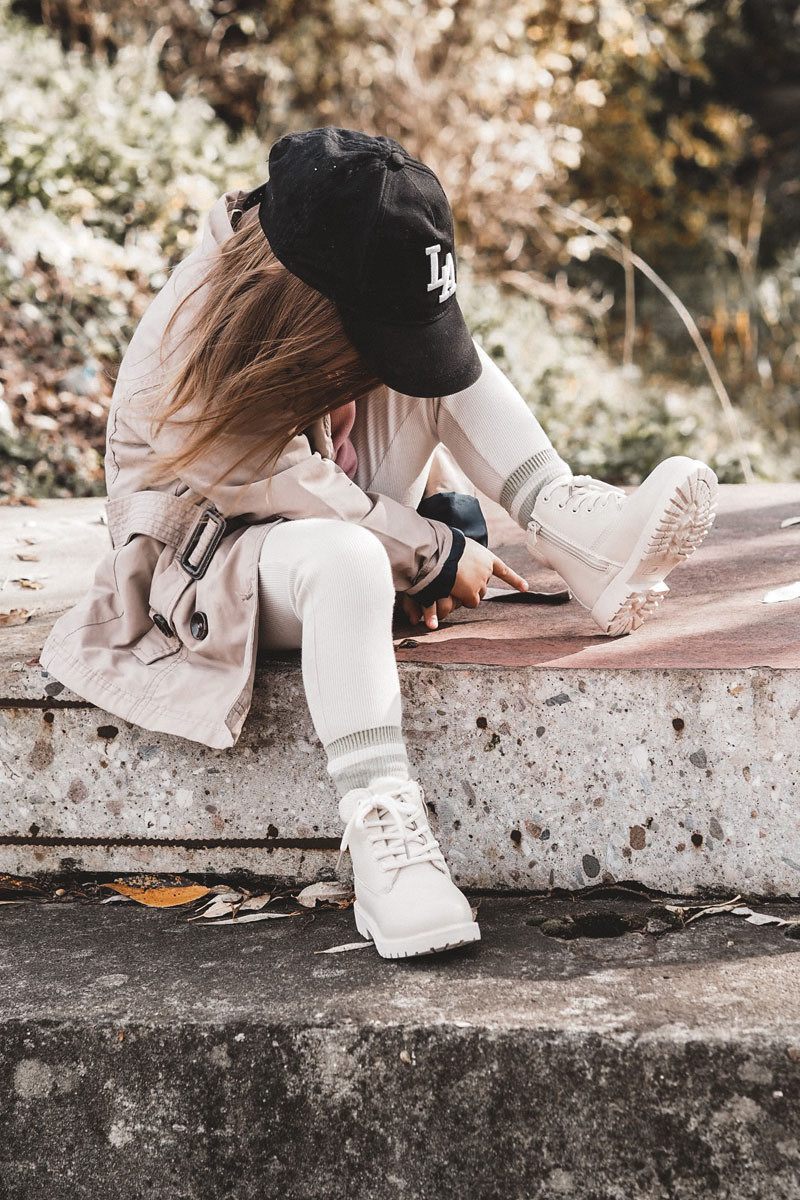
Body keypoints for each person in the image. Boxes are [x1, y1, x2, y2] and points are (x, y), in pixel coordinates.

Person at [39, 126, 719, 960]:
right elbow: (298, 494)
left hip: (319, 507)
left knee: (442, 367)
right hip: (208, 566)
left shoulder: (311, 277)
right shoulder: (190, 349)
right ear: (309, 312)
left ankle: (580, 528)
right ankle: (383, 831)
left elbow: (384, 421)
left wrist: (441, 515)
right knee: (350, 561)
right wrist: (435, 553)